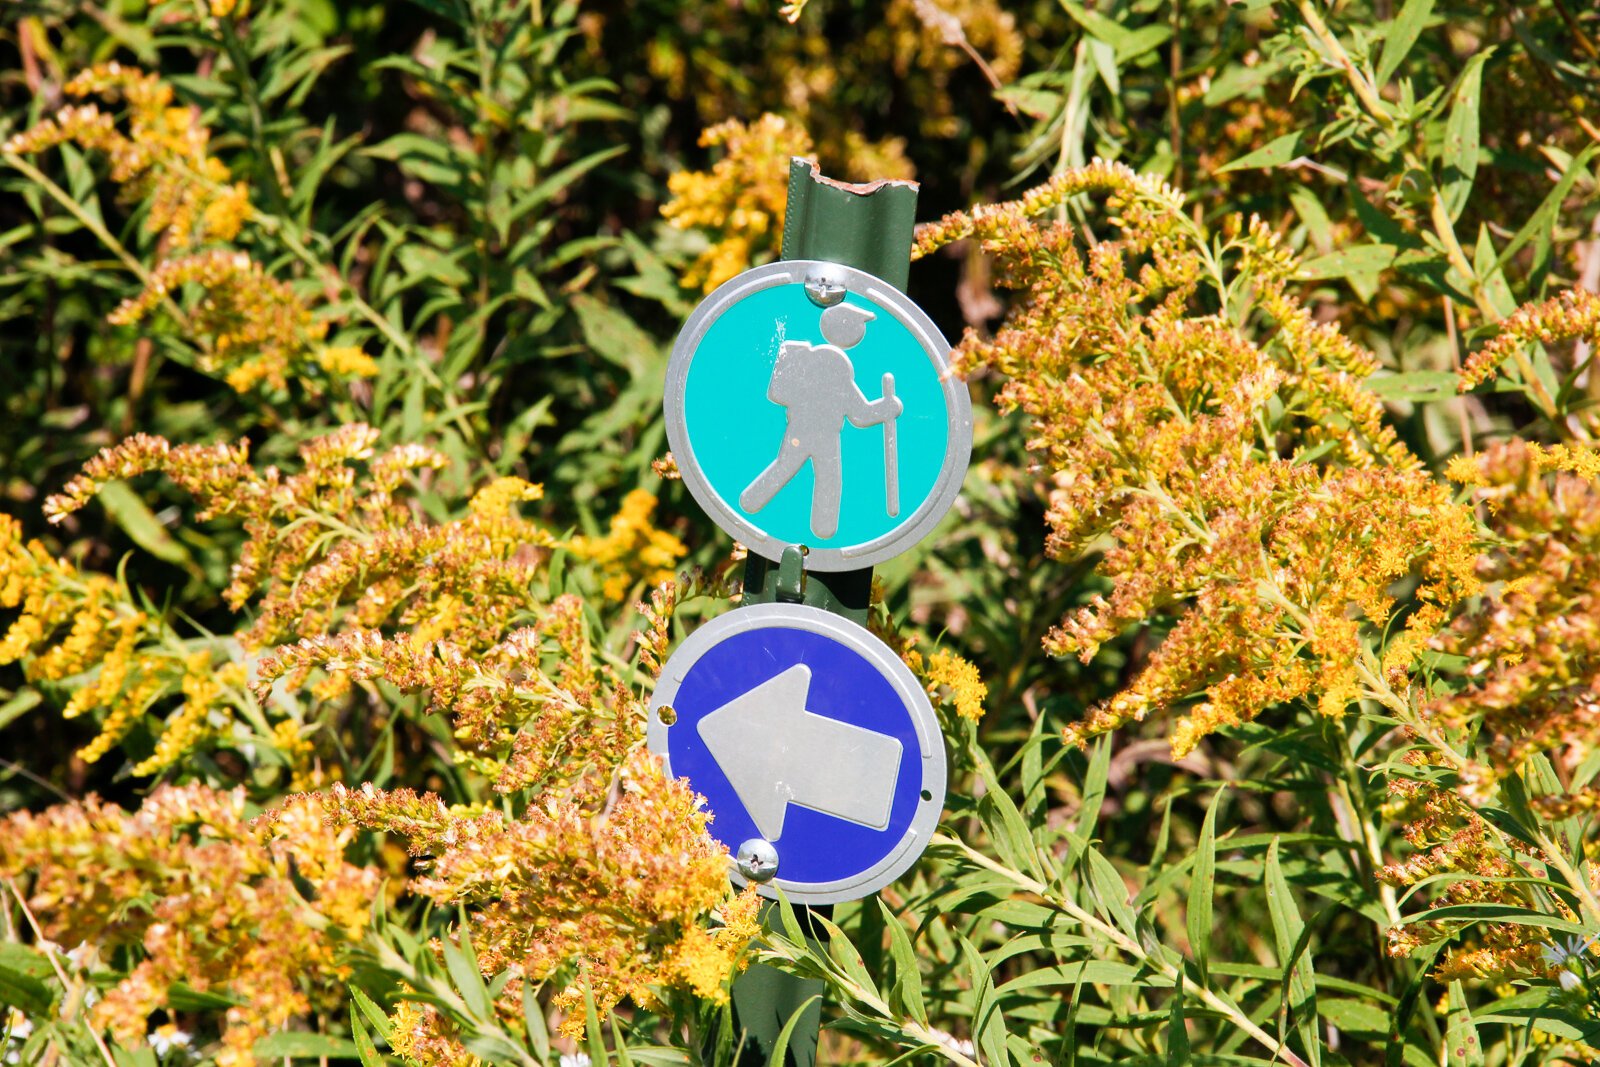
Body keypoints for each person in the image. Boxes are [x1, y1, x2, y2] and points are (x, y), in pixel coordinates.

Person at [740, 303, 900, 539]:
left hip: (810, 432)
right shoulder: (835, 366)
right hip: (819, 434)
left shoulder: (822, 364)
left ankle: (753, 502)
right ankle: (821, 530)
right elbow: (860, 413)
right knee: (824, 478)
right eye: (857, 325)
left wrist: (888, 408)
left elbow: (859, 413)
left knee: (791, 469)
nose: (860, 332)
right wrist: (887, 408)